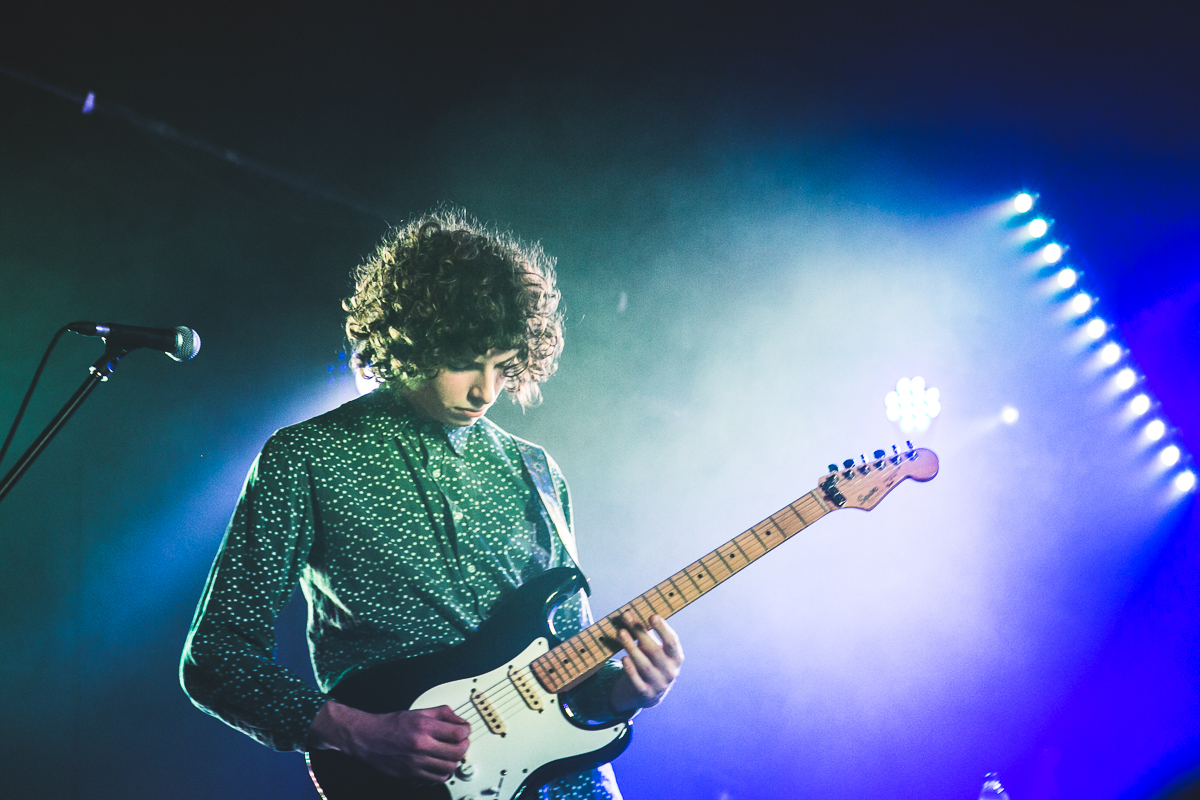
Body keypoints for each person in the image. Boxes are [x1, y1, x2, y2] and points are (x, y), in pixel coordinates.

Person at [180, 207, 683, 799]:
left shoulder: (538, 472)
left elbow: (570, 673)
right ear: (411, 336)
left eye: (502, 365)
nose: (486, 390)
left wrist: (627, 691)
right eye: (467, 360)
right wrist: (362, 733)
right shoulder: (308, 456)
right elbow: (216, 655)